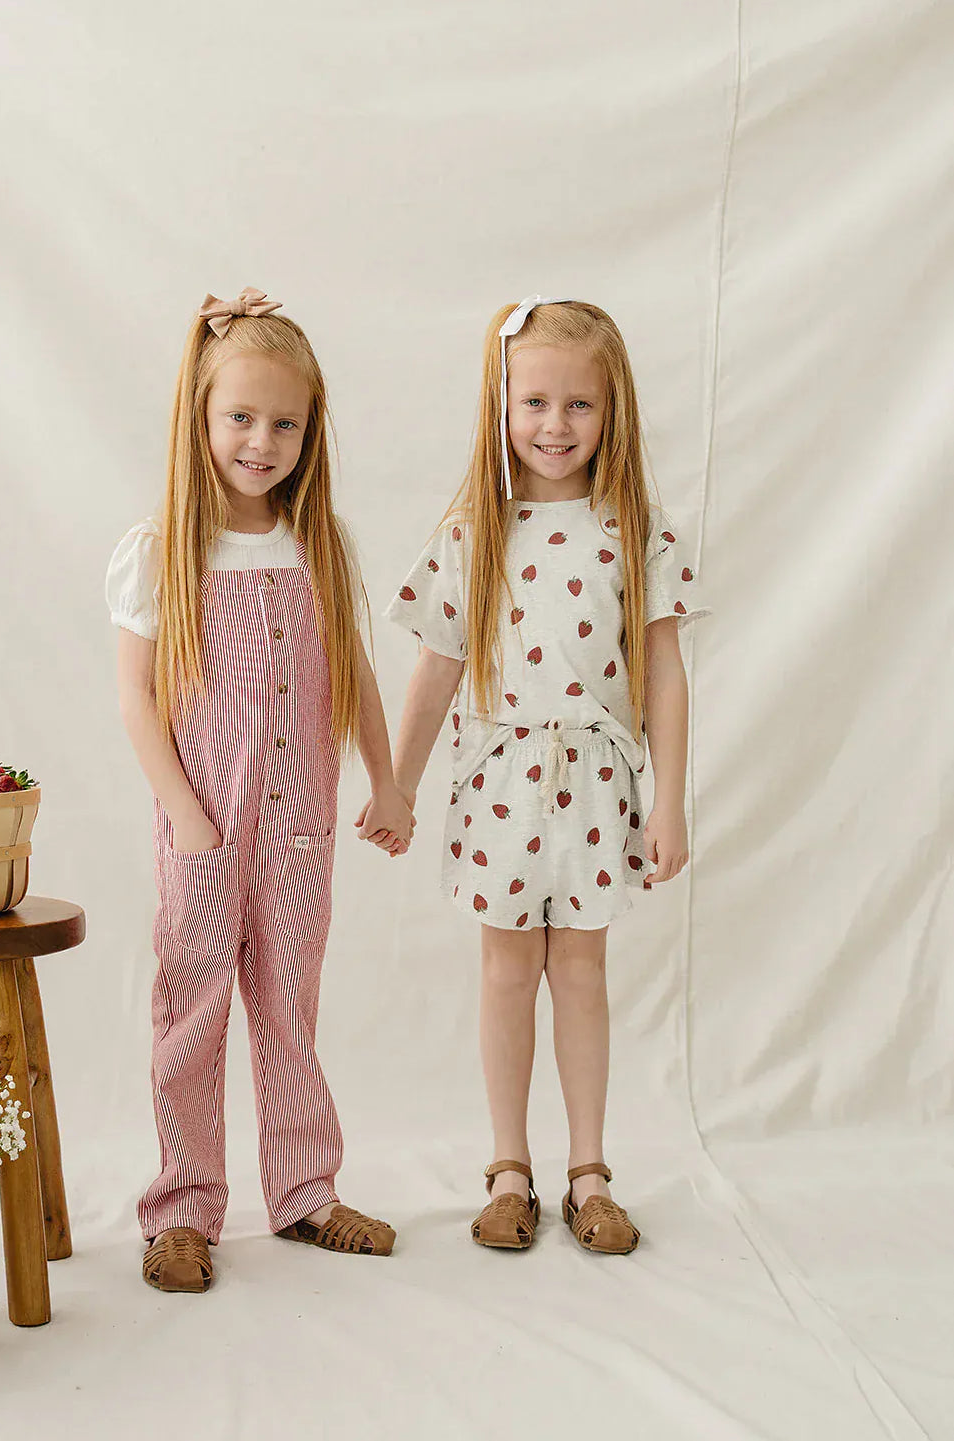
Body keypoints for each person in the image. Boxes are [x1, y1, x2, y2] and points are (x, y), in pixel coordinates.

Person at [383, 296, 710, 1254]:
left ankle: (589, 1171)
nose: (554, 425)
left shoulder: (634, 530)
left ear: (612, 411)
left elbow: (662, 673)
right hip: (499, 781)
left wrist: (668, 800)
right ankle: (507, 1169)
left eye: (578, 404)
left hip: (597, 785)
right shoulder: (473, 531)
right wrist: (397, 784)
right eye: (533, 402)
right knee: (504, 969)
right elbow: (435, 669)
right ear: (501, 406)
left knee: (581, 970)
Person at [107, 288, 413, 1292]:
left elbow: (356, 672)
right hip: (202, 826)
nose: (261, 441)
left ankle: (305, 1192)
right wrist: (186, 818)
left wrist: (388, 781)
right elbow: (135, 698)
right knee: (191, 1011)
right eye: (239, 417)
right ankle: (181, 1208)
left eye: (285, 423)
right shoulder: (161, 549)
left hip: (300, 829)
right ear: (199, 417)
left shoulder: (319, 544)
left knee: (290, 1002)